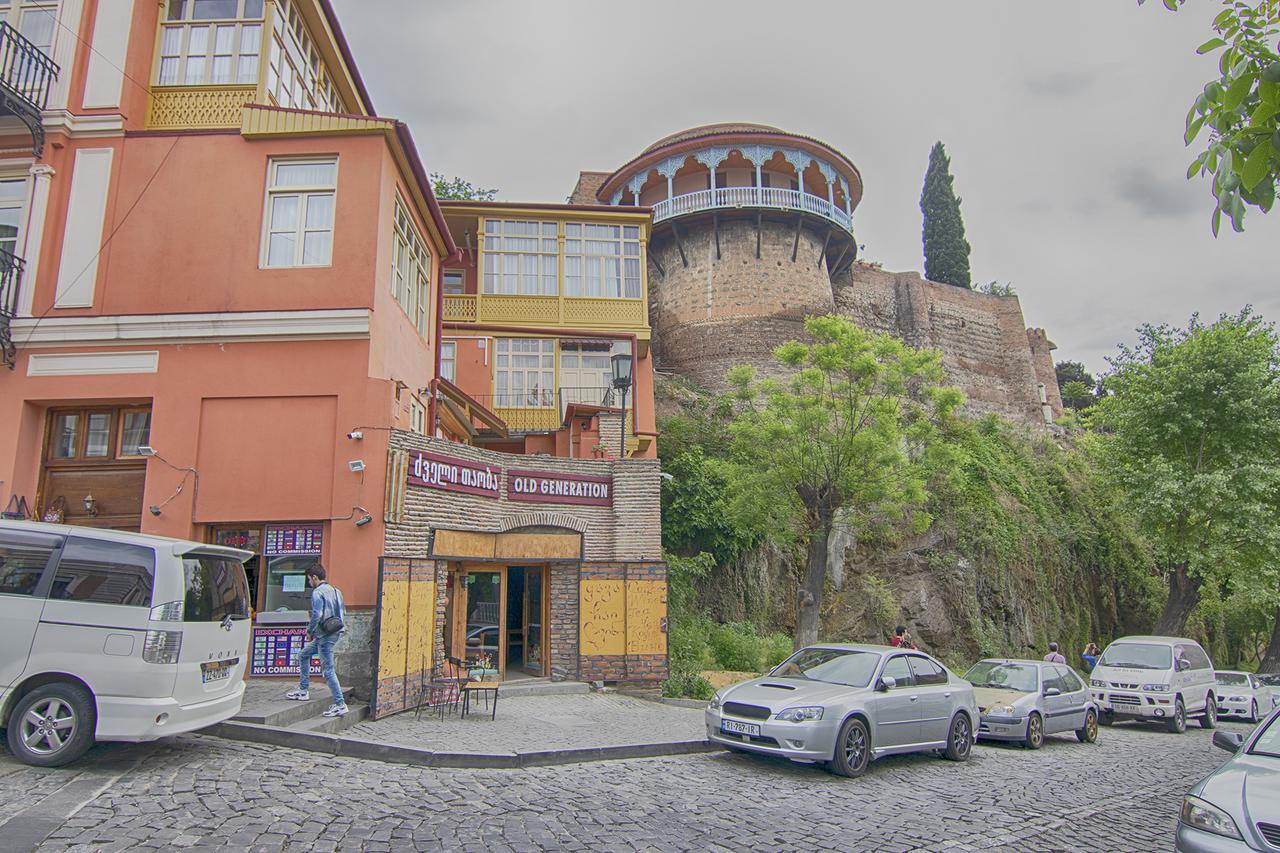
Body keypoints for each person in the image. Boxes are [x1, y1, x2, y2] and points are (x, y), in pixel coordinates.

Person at [285, 564, 348, 717]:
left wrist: (309, 631)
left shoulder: (317, 593)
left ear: (314, 577)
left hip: (324, 635)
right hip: (334, 632)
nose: (309, 583)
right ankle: (303, 690)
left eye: (309, 579)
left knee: (328, 670)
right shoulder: (336, 591)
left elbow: (317, 615)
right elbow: (343, 611)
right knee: (304, 655)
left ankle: (340, 704)